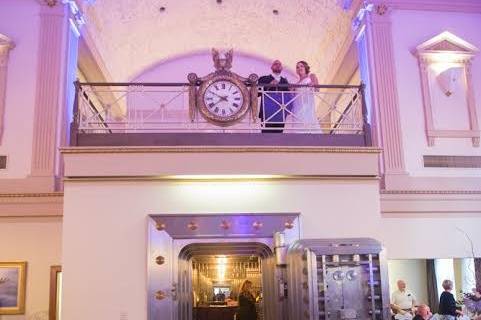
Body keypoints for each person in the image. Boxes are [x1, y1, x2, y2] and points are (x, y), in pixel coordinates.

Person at [285, 61, 320, 133]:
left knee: (308, 126)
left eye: (301, 66)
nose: (299, 68)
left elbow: (317, 88)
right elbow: (293, 97)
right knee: (298, 129)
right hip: (297, 108)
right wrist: (291, 90)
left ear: (306, 67)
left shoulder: (311, 76)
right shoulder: (296, 83)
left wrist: (313, 83)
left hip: (306, 106)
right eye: (297, 67)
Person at [258, 60, 290, 133]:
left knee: (279, 137)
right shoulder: (263, 79)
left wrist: (288, 109)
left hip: (281, 112)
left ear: (282, 68)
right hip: (267, 112)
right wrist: (269, 85)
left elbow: (288, 96)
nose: (278, 65)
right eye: (275, 64)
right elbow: (257, 93)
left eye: (280, 64)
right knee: (266, 136)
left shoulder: (285, 81)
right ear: (271, 67)